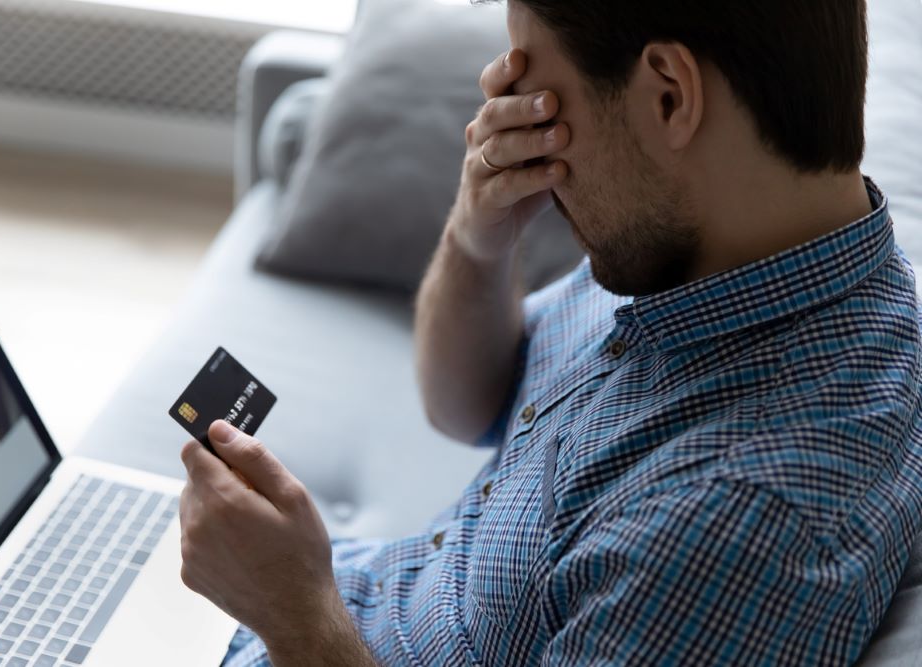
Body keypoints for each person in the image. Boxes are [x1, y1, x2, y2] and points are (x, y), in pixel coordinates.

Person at [178, 1, 922, 665]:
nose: (536, 143)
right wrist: (479, 239)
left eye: (542, 102)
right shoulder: (713, 248)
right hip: (342, 590)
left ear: (669, 95)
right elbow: (465, 406)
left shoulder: (737, 525)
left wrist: (296, 614)